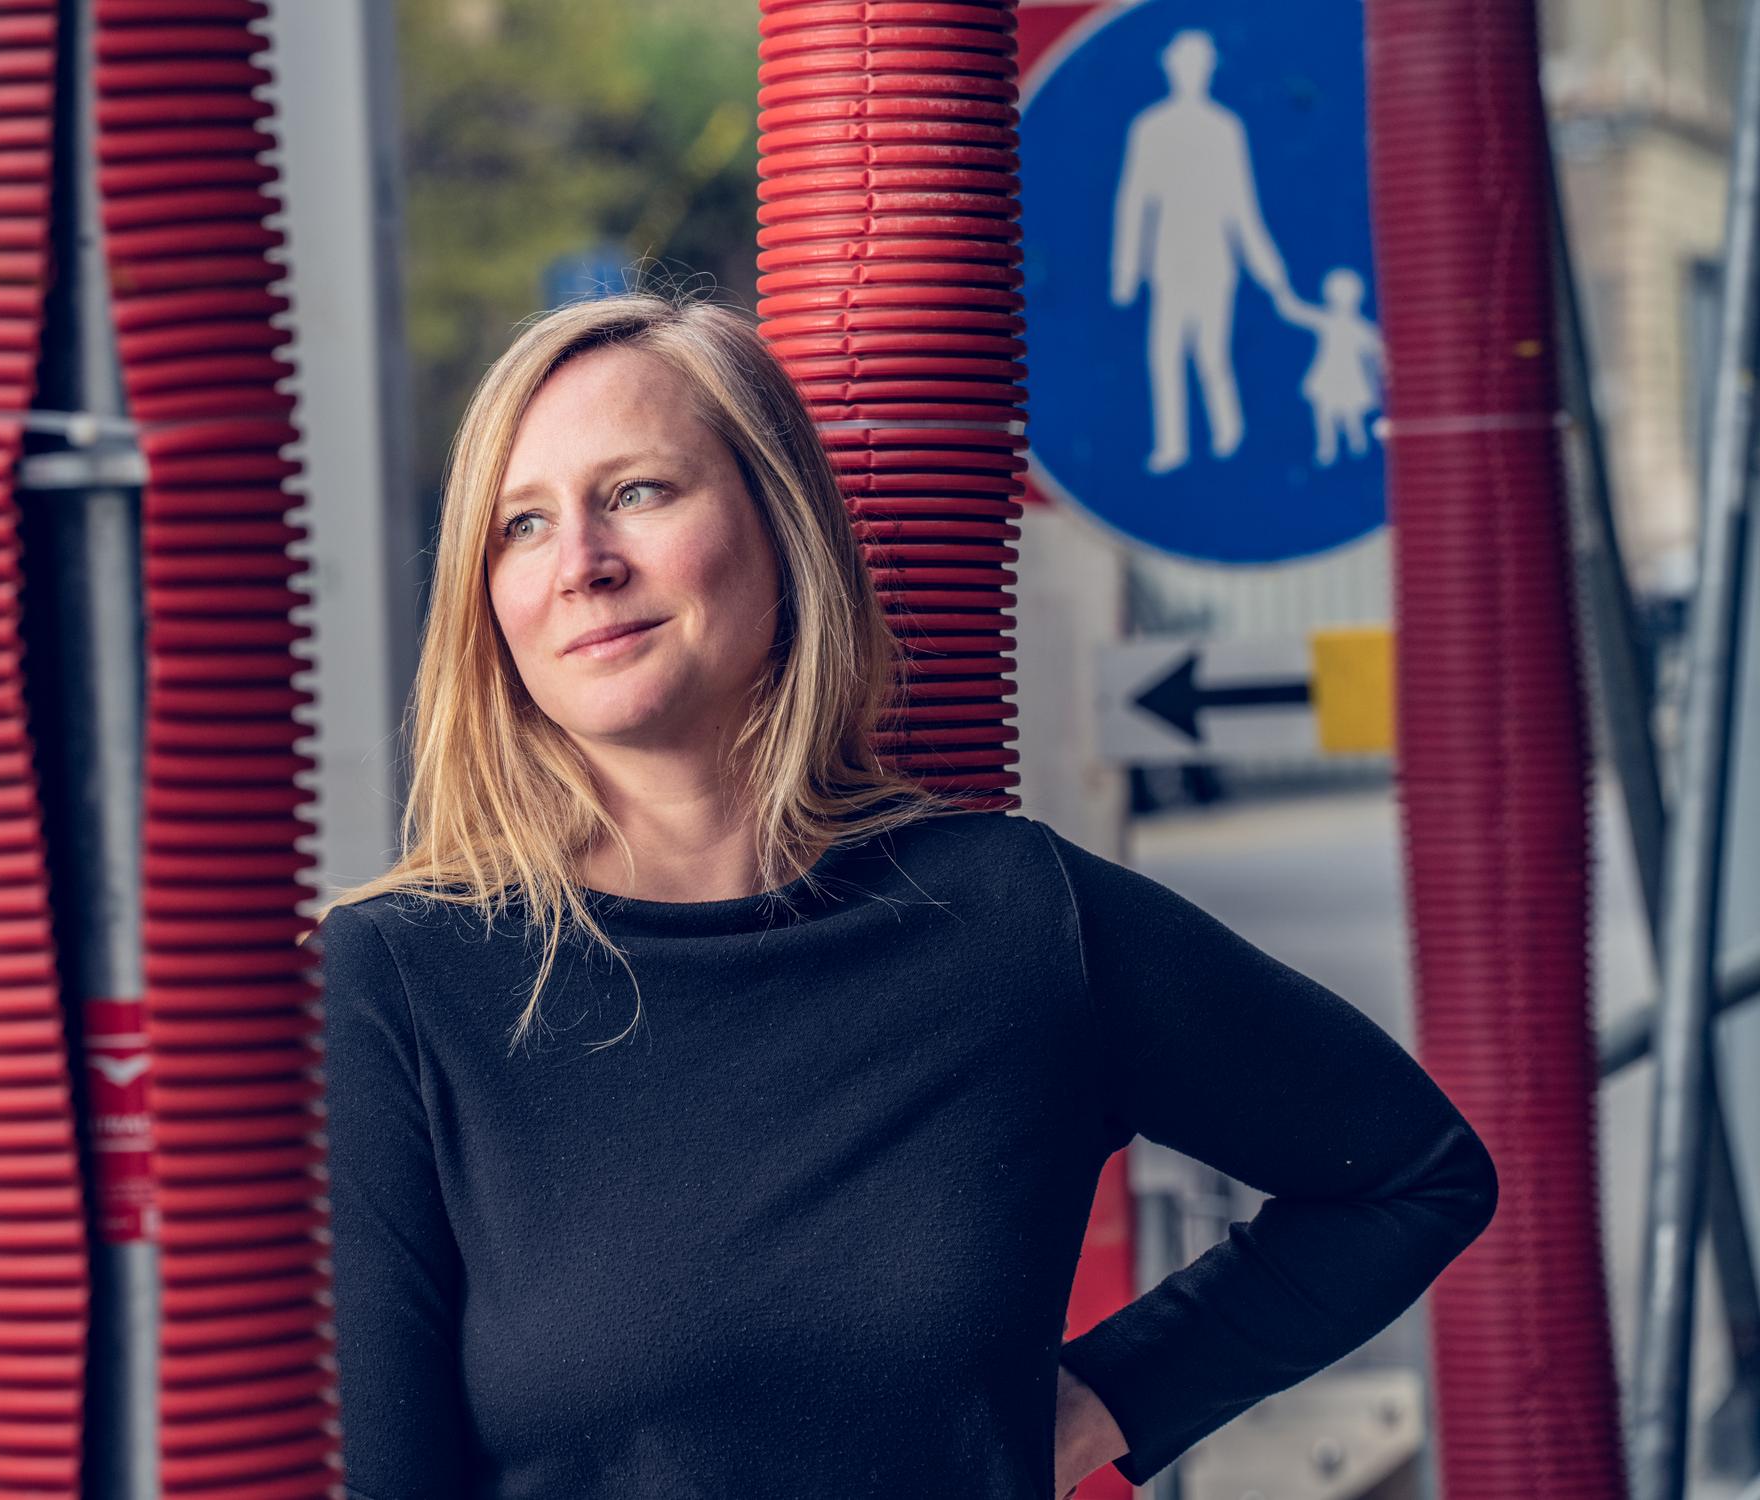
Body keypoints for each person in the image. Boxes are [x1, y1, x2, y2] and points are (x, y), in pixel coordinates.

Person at [314, 289, 1498, 1499]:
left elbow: (1411, 1173)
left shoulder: (1011, 920)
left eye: (636, 493)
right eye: (518, 524)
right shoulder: (400, 980)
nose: (581, 563)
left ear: (778, 527)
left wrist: (1099, 1406)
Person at [1110, 29, 1293, 473]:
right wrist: (1126, 271)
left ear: (1208, 71)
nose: (1191, 73)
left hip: (1215, 261)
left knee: (1212, 354)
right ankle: (1171, 444)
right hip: (1170, 260)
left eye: (1199, 65)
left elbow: (1241, 207)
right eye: (1184, 65)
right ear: (1170, 68)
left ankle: (1228, 434)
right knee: (1165, 354)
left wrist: (1270, 272)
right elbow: (1134, 201)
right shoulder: (1149, 128)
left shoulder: (1224, 128)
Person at [1272, 267, 1386, 466]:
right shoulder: (1329, 321)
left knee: (1351, 415)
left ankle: (1357, 447)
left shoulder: (1359, 327)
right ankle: (1328, 449)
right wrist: (1281, 294)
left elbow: (1378, 347)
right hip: (1328, 375)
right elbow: (1297, 312)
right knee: (1324, 412)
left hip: (1350, 378)